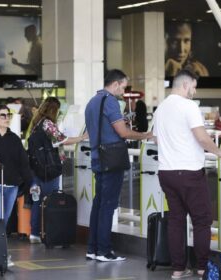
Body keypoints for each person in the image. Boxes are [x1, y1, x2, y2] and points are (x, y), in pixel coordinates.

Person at [153, 70, 221, 279]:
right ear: (185, 85)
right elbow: (203, 138)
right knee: (202, 220)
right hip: (189, 172)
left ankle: (178, 269)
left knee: (176, 220)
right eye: (194, 86)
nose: (194, 91)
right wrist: (220, 152)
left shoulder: (161, 108)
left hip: (166, 172)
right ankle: (202, 268)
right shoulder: (189, 106)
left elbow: (156, 139)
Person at [84, 69, 152, 262]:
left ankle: (93, 248)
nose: (123, 91)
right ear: (115, 84)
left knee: (98, 204)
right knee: (107, 206)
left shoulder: (92, 101)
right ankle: (104, 251)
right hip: (111, 160)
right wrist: (146, 135)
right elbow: (123, 133)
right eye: (123, 86)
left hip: (98, 158)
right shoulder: (111, 101)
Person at [28, 97, 88, 244]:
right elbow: (62, 139)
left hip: (36, 168)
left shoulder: (36, 123)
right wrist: (82, 137)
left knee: (37, 201)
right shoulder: (48, 123)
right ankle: (48, 232)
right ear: (54, 110)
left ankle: (35, 233)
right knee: (49, 200)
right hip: (49, 169)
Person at [0, 104, 33, 267]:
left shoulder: (14, 138)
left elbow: (23, 162)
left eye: (8, 115)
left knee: (3, 221)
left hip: (12, 186)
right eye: (2, 115)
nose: (6, 118)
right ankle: (0, 255)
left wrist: (29, 181)